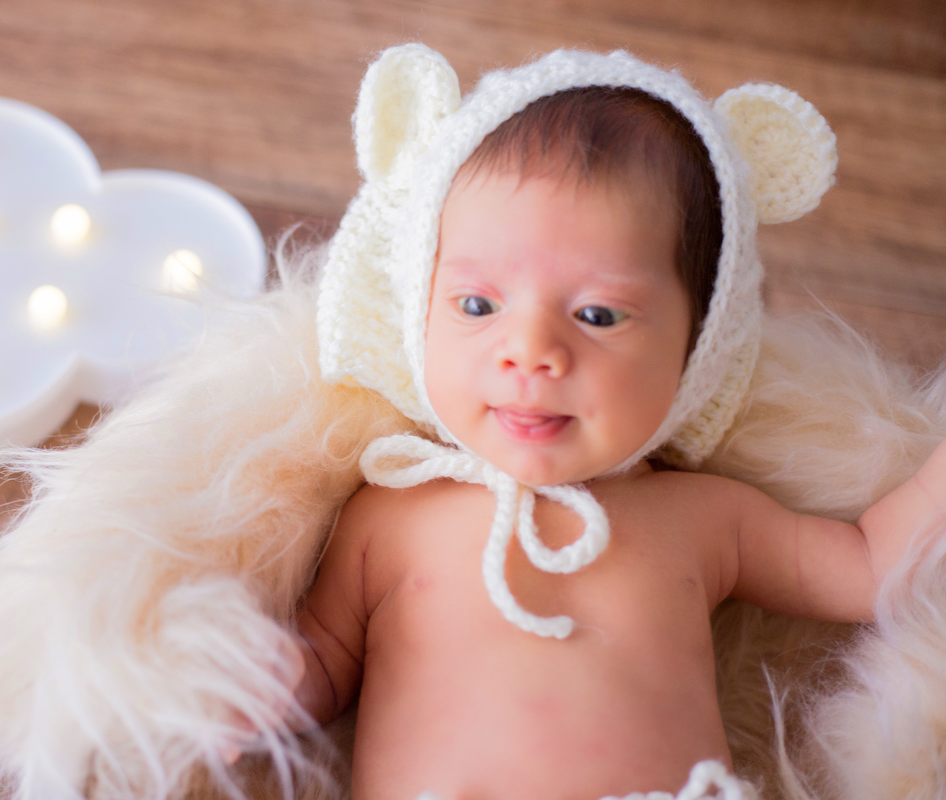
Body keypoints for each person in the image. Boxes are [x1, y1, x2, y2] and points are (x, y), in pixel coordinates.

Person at [276, 48, 946, 800]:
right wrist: (257, 682)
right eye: (477, 305)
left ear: (699, 347)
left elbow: (869, 564)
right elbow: (323, 662)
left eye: (596, 315)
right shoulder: (390, 507)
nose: (529, 352)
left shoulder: (705, 518)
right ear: (418, 312)